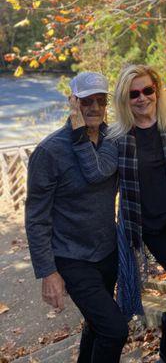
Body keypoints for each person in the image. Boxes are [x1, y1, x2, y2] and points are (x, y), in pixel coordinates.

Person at [70, 65, 166, 363]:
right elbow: (94, 171)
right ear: (124, 98)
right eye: (133, 94)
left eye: (147, 90)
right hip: (152, 227)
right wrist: (77, 127)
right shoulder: (118, 137)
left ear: (156, 90)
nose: (142, 98)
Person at [25, 72, 128, 363]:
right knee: (114, 330)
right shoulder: (49, 152)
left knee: (97, 326)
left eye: (100, 100)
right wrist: (48, 272)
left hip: (107, 253)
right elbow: (36, 217)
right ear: (73, 103)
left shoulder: (113, 141)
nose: (94, 107)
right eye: (86, 101)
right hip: (72, 258)